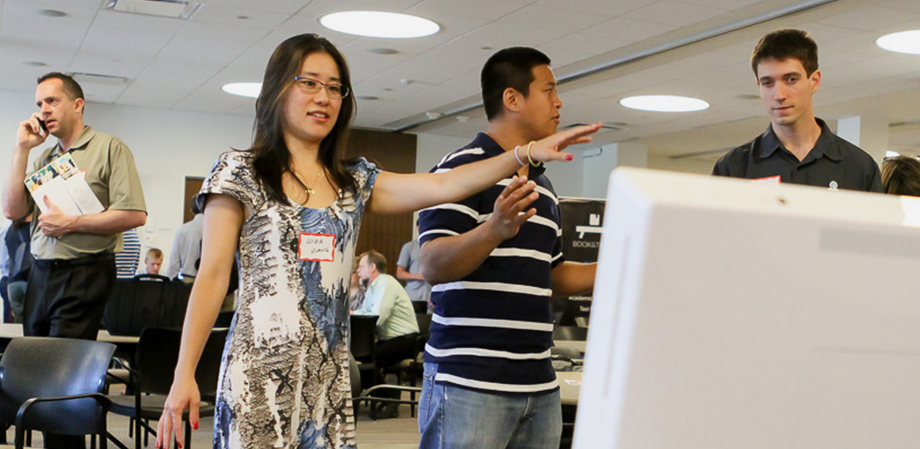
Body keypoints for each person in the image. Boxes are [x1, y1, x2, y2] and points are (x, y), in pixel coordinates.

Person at [155, 34, 599, 449]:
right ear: (276, 90)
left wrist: (523, 154)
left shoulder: (353, 181)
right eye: (309, 83)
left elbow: (445, 186)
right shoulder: (240, 171)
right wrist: (184, 374)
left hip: (328, 378)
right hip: (257, 374)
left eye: (335, 87)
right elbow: (212, 277)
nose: (323, 97)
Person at [416, 47, 598, 449]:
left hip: (538, 384)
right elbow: (431, 264)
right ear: (512, 99)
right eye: (548, 90)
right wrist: (494, 229)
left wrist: (624, 263)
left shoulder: (543, 186)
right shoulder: (458, 170)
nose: (559, 101)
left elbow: (552, 275)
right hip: (469, 382)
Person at [2, 72, 147, 449]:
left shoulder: (109, 147)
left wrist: (74, 222)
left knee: (61, 382)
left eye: (52, 101)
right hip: (41, 274)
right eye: (39, 104)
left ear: (77, 104)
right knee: (38, 376)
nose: (43, 110)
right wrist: (22, 150)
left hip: (84, 272)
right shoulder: (47, 156)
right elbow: (12, 209)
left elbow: (134, 214)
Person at [712, 29, 882, 192]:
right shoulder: (733, 168)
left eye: (791, 79)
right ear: (759, 86)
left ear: (814, 81)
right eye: (767, 83)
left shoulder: (859, 167)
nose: (779, 95)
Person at [354, 249, 420, 419]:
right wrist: (353, 314)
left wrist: (354, 315)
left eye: (361, 266)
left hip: (405, 340)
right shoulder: (373, 287)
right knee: (362, 357)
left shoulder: (385, 283)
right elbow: (366, 311)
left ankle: (389, 400)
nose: (358, 270)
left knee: (367, 358)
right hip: (392, 340)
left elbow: (378, 317)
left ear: (373, 267)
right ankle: (385, 397)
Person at [0, 216, 32, 323]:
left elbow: (5, 261)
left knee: (13, 326)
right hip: (27, 280)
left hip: (10, 279)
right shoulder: (33, 228)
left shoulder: (5, 228)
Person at [167, 200, 203, 283]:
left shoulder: (182, 230)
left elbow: (174, 263)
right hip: (212, 281)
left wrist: (171, 283)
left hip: (188, 280)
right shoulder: (218, 229)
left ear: (191, 210)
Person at [396, 225, 431, 311]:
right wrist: (420, 276)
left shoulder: (435, 247)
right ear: (418, 227)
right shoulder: (409, 247)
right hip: (413, 296)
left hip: (431, 297)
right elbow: (399, 274)